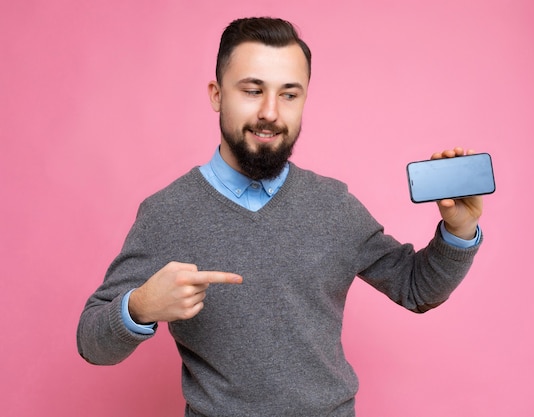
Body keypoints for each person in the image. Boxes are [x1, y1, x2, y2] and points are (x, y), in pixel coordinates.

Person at [77, 17, 483, 417]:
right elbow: (92, 342)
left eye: (289, 94)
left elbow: (416, 288)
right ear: (217, 95)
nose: (270, 112)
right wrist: (139, 307)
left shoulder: (333, 205)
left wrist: (459, 230)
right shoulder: (167, 213)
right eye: (253, 90)